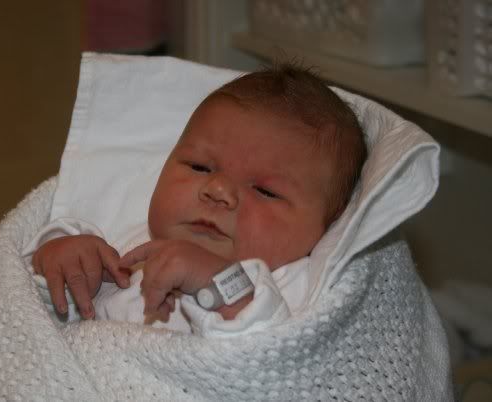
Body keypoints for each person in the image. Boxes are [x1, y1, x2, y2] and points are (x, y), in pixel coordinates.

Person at [25, 62, 367, 335]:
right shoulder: (131, 247)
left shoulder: (295, 283)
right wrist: (64, 258)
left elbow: (275, 354)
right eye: (200, 167)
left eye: (265, 191)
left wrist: (217, 282)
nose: (218, 190)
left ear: (328, 227)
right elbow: (48, 314)